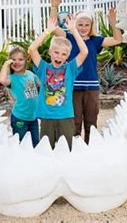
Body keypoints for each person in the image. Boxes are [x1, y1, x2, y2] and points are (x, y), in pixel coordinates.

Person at [49, 0, 123, 144]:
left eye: (86, 25)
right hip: (72, 87)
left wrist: (113, 22)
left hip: (91, 88)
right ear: (74, 25)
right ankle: (74, 150)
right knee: (74, 122)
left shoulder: (96, 40)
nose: (83, 28)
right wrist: (54, 6)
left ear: (91, 26)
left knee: (91, 122)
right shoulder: (68, 38)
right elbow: (52, 26)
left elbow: (117, 39)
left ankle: (91, 149)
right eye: (80, 24)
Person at [28, 15, 88, 150]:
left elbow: (84, 52)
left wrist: (74, 31)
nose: (59, 56)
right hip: (46, 117)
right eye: (56, 52)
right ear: (50, 52)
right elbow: (32, 49)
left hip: (65, 117)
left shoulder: (70, 69)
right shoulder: (43, 68)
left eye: (63, 54)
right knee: (46, 150)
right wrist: (48, 31)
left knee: (66, 150)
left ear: (67, 57)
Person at [0, 47, 40, 147]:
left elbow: (41, 85)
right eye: (13, 59)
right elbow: (2, 80)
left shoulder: (31, 75)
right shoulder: (12, 79)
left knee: (36, 145)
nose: (17, 62)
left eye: (20, 59)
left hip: (33, 118)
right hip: (20, 119)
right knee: (20, 145)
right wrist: (6, 64)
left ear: (26, 60)